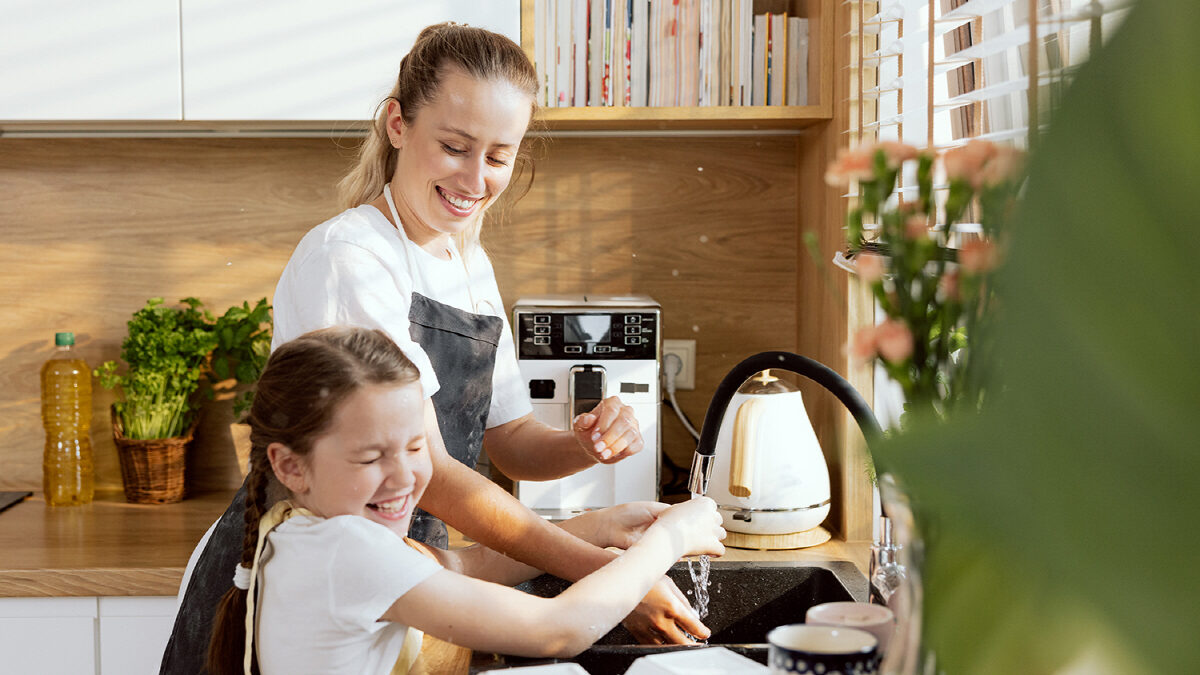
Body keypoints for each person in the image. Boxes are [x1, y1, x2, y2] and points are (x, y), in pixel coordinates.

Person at [160, 22, 706, 674]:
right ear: (398, 125)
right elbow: (433, 471)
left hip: (411, 560)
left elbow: (510, 442)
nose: (476, 178)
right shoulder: (351, 258)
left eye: (500, 155)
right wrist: (612, 572)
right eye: (455, 146)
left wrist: (581, 445)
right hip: (339, 572)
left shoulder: (468, 262)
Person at [204, 326, 725, 675]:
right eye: (370, 458)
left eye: (415, 447)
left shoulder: (297, 527)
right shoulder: (345, 549)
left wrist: (598, 526)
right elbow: (558, 631)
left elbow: (458, 565)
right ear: (291, 465)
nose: (404, 477)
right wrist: (672, 536)